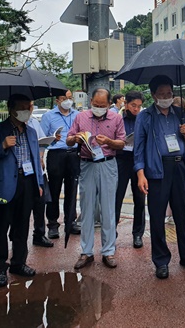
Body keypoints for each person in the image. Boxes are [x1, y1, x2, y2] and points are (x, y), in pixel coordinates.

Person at [135, 74, 185, 279]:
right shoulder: (145, 116)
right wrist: (140, 174)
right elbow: (138, 148)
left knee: (182, 213)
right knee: (157, 216)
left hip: (179, 168)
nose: (166, 97)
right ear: (154, 95)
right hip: (157, 169)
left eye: (169, 93)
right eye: (162, 94)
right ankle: (161, 260)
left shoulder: (180, 113)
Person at [0, 93, 44, 287]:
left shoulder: (31, 132)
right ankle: (0, 268)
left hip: (28, 182)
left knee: (22, 225)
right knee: (1, 228)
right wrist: (2, 145)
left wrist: (39, 184)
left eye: (30, 107)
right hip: (4, 185)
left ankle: (19, 262)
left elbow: (36, 160)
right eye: (23, 107)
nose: (28, 111)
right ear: (11, 109)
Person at [67, 88, 126, 270]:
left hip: (108, 163)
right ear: (90, 101)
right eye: (95, 104)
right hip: (87, 163)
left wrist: (108, 141)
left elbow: (122, 143)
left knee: (108, 208)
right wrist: (75, 139)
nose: (98, 108)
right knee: (87, 207)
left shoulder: (116, 118)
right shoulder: (80, 117)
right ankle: (86, 251)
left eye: (102, 106)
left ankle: (108, 252)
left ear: (109, 104)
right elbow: (68, 139)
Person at [40, 90, 81, 239]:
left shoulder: (77, 115)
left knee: (72, 189)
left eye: (70, 98)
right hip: (56, 155)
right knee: (54, 190)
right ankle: (52, 224)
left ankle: (71, 221)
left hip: (74, 155)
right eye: (64, 98)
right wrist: (41, 157)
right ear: (57, 100)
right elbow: (42, 139)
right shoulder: (48, 116)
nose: (67, 101)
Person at [115, 90, 146, 248]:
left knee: (140, 199)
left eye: (139, 106)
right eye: (133, 105)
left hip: (138, 160)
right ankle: (111, 233)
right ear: (126, 104)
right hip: (121, 159)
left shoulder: (143, 119)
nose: (136, 109)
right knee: (117, 197)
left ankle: (138, 234)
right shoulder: (118, 118)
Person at [27, 103, 54, 248]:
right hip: (23, 172)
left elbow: (42, 142)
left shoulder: (34, 122)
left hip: (38, 171)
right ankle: (16, 236)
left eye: (31, 105)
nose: (30, 108)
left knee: (40, 204)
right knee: (21, 207)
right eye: (27, 106)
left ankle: (39, 234)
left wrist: (41, 157)